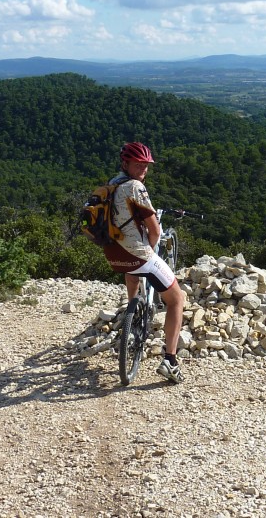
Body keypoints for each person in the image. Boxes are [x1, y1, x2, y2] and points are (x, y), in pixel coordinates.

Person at [103, 142, 185, 383]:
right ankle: (170, 361)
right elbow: (155, 230)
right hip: (137, 254)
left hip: (114, 254)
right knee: (177, 299)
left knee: (133, 269)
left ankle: (133, 308)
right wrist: (151, 250)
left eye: (146, 165)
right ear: (125, 163)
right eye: (139, 164)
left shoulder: (113, 183)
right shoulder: (136, 187)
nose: (144, 169)